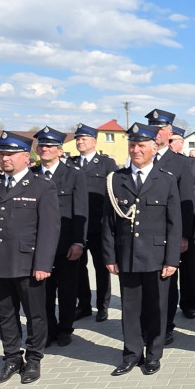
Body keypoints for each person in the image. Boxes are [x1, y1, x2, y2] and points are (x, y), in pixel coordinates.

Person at [0, 131, 60, 384]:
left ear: (25, 156)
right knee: (5, 314)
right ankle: (11, 358)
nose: (4, 158)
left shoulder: (42, 186)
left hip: (28, 263)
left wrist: (43, 263)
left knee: (35, 314)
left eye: (10, 154)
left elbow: (50, 229)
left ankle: (33, 359)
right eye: (1, 153)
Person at [103, 123, 181, 376]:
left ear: (154, 148)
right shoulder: (117, 179)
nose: (136, 150)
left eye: (141, 146)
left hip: (157, 257)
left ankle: (153, 355)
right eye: (132, 145)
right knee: (130, 309)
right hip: (127, 256)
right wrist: (110, 257)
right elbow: (108, 224)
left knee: (156, 308)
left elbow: (174, 223)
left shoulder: (166, 180)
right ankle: (131, 353)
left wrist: (172, 260)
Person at [32, 127, 88, 347]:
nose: (45, 149)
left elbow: (81, 211)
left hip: (66, 245)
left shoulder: (74, 175)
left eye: (49, 146)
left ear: (59, 150)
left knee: (66, 291)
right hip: (38, 245)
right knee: (42, 292)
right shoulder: (31, 175)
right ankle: (48, 330)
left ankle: (65, 329)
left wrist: (78, 242)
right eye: (41, 146)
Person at [145, 110, 195, 345]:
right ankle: (147, 323)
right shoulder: (139, 158)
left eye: (160, 128)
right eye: (152, 127)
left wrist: (184, 236)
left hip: (168, 233)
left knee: (167, 282)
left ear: (170, 132)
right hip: (143, 234)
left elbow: (185, 202)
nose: (156, 132)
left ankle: (166, 326)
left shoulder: (180, 162)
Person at [69, 124, 116, 322]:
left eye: (84, 139)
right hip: (77, 226)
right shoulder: (70, 164)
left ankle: (103, 306)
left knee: (101, 267)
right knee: (78, 268)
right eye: (78, 139)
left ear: (94, 142)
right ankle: (84, 304)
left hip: (98, 225)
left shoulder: (106, 164)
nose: (80, 142)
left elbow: (114, 195)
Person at [170, 126, 195, 321]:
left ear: (181, 142)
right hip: (167, 226)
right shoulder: (161, 163)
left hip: (189, 223)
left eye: (172, 140)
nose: (169, 144)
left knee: (187, 267)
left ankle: (188, 304)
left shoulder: (193, 164)